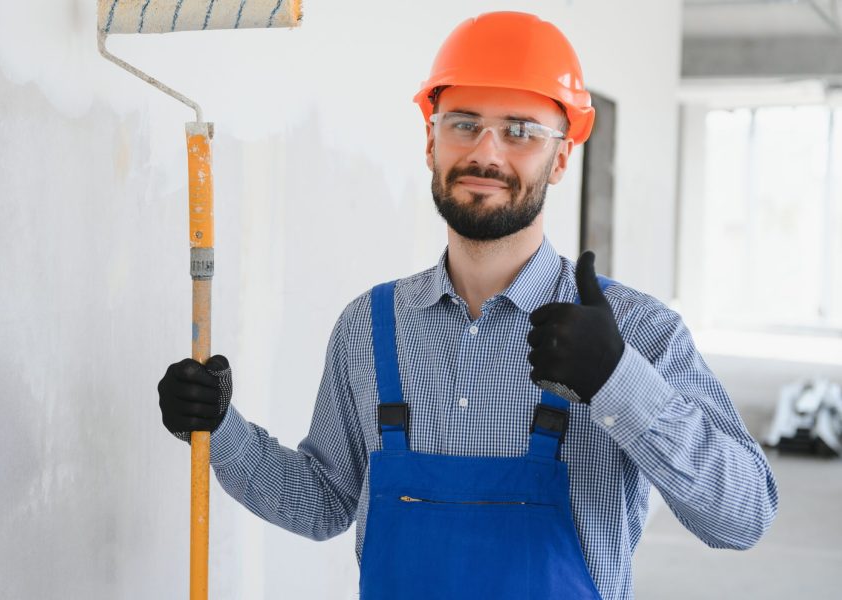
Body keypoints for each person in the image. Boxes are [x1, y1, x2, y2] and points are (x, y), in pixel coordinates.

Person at [157, 11, 778, 599]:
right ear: (431, 143)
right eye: (463, 123)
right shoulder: (369, 329)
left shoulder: (638, 331)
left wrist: (620, 382)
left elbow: (743, 516)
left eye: (520, 131)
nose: (487, 153)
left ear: (560, 157)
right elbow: (322, 503)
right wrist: (219, 428)